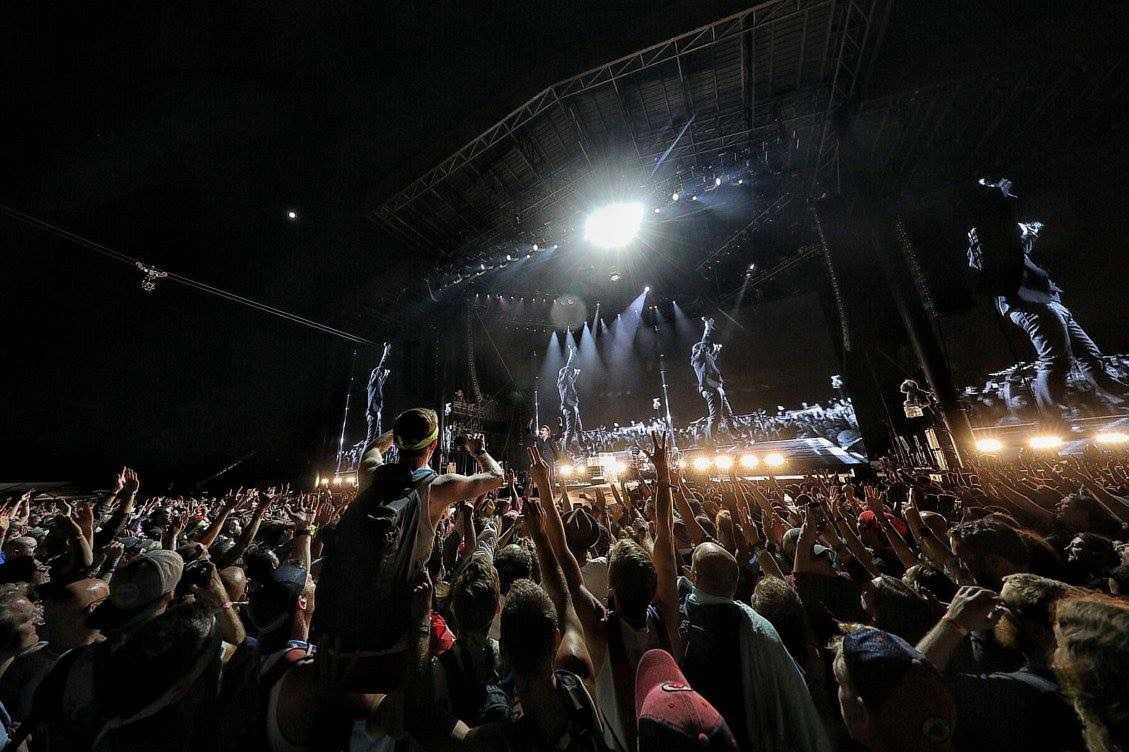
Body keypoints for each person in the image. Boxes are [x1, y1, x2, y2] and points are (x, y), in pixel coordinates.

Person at [313, 407, 504, 691]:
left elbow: (373, 447)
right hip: (398, 630)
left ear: (399, 443)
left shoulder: (371, 474)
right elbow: (497, 477)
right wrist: (479, 452)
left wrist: (398, 432)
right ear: (433, 445)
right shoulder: (436, 487)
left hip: (340, 630)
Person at [966, 178, 1128, 420]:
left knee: (1089, 355)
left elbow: (1020, 243)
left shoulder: (1006, 233)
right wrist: (1001, 197)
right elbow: (994, 261)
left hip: (1048, 301)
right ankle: (1052, 420)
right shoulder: (987, 232)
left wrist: (1027, 234)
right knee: (1055, 358)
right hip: (1027, 304)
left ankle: (1122, 399)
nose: (1006, 187)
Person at [690, 318, 735, 439]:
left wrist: (716, 351)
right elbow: (704, 344)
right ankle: (709, 443)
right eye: (703, 349)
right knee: (715, 416)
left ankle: (736, 435)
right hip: (710, 388)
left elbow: (711, 358)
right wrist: (708, 328)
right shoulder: (697, 358)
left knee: (728, 414)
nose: (707, 350)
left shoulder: (705, 358)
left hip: (717, 388)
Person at [364, 342, 393, 453]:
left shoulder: (377, 385)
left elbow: (382, 382)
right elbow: (381, 365)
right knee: (370, 440)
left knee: (377, 439)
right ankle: (364, 458)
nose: (380, 376)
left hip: (375, 413)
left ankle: (374, 457)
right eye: (379, 374)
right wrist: (386, 352)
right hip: (372, 413)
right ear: (375, 375)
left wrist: (386, 375)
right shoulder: (372, 383)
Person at [558, 346, 584, 454]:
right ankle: (565, 450)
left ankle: (583, 447)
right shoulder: (562, 381)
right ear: (564, 375)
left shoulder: (567, 382)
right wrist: (572, 354)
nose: (570, 375)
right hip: (569, 407)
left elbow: (572, 381)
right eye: (569, 374)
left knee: (579, 429)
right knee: (571, 430)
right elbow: (568, 367)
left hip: (573, 407)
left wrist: (576, 374)